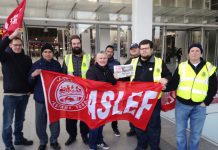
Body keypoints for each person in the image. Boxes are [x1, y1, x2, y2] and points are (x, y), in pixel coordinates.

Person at [166, 43, 217, 150]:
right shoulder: (182, 66)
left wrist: (206, 102)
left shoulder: (209, 67)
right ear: (188, 54)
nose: (194, 53)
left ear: (201, 53)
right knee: (180, 134)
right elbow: (174, 83)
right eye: (192, 51)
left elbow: (213, 87)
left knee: (196, 135)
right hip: (182, 105)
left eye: (197, 51)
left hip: (200, 106)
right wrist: (162, 87)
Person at [130, 39, 172, 150]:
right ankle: (141, 145)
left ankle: (154, 146)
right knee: (139, 124)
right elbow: (123, 77)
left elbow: (168, 75)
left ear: (151, 50)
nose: (144, 51)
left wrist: (166, 79)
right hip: (137, 100)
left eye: (146, 48)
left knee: (154, 125)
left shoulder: (159, 62)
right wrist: (116, 75)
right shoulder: (132, 62)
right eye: (142, 48)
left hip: (153, 101)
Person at [0, 28, 33, 150]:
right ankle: (9, 145)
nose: (18, 47)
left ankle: (19, 139)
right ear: (10, 45)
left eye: (19, 45)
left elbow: (29, 75)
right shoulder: (6, 56)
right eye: (15, 45)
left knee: (20, 120)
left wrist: (30, 89)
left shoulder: (26, 59)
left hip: (24, 95)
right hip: (10, 95)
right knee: (7, 122)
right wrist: (10, 36)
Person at [29, 43, 62, 150]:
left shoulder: (57, 65)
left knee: (55, 120)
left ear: (53, 53)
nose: (48, 54)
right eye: (45, 52)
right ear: (42, 53)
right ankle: (42, 141)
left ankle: (54, 140)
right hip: (40, 98)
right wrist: (33, 75)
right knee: (40, 121)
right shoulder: (36, 65)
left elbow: (61, 80)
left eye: (50, 52)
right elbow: (29, 82)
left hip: (53, 98)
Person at [62, 35, 91, 145]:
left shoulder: (88, 57)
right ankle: (72, 136)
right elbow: (62, 74)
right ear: (71, 45)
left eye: (78, 43)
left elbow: (93, 72)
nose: (76, 45)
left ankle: (84, 135)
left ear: (80, 44)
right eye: (74, 44)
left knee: (84, 116)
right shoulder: (67, 58)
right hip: (71, 93)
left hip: (85, 91)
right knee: (70, 117)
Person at [86, 51, 117, 150]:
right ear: (96, 60)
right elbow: (94, 85)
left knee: (101, 124)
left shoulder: (107, 70)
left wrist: (114, 79)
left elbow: (113, 82)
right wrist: (110, 81)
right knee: (94, 125)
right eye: (100, 58)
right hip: (95, 103)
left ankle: (99, 141)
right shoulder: (91, 71)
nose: (103, 60)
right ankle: (92, 145)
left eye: (104, 58)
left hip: (104, 102)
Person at [105, 45, 121, 137]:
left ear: (113, 52)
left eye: (111, 51)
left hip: (114, 89)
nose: (109, 53)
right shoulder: (101, 61)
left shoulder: (117, 63)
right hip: (103, 90)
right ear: (105, 51)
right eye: (108, 51)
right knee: (101, 109)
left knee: (114, 110)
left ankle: (115, 128)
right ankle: (100, 126)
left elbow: (120, 76)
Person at [125, 43, 139, 137]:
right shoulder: (129, 61)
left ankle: (139, 131)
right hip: (131, 91)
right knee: (131, 111)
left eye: (135, 48)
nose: (133, 50)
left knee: (139, 112)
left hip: (141, 91)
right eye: (132, 49)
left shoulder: (142, 60)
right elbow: (124, 76)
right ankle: (133, 129)